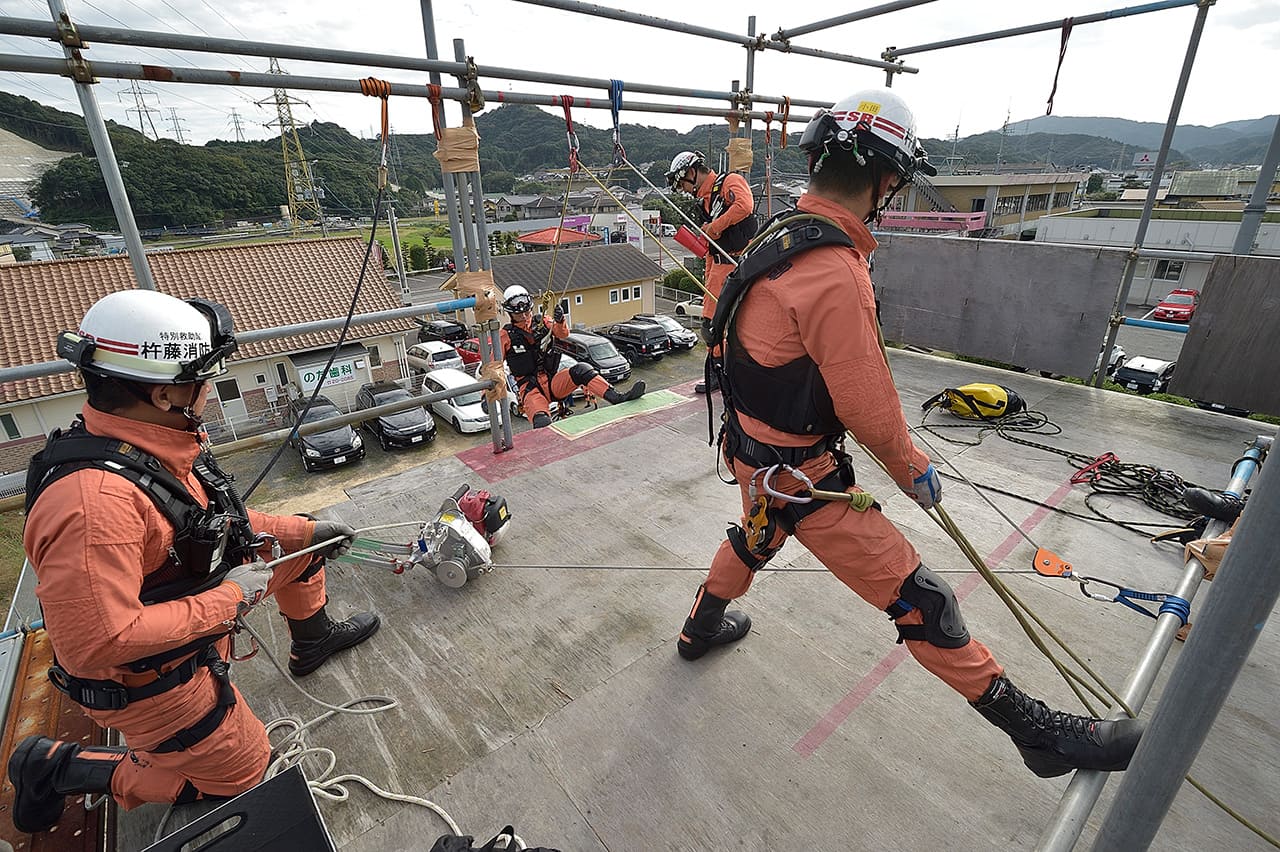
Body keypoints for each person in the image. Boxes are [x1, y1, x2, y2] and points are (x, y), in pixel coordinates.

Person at [674, 88, 1143, 779]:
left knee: (757, 534)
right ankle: (1036, 733)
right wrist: (912, 468)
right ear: (885, 178)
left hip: (751, 456)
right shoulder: (834, 272)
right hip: (801, 476)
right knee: (923, 600)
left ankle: (699, 629)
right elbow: (868, 407)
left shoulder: (777, 235)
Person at [8, 290, 380, 834]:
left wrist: (303, 534)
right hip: (151, 681)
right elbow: (99, 642)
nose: (208, 391)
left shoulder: (152, 446)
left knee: (299, 551)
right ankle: (53, 765)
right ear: (165, 393)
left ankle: (313, 639)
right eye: (203, 380)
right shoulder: (94, 506)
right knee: (243, 774)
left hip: (188, 614)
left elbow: (206, 521)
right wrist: (230, 597)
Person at [665, 150, 756, 394]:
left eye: (682, 183)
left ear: (692, 173)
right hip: (719, 264)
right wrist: (708, 274)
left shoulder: (730, 182)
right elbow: (710, 247)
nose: (683, 189)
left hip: (738, 262)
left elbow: (745, 205)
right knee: (713, 326)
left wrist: (714, 227)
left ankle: (724, 373)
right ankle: (720, 372)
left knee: (721, 325)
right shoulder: (706, 202)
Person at [498, 285, 644, 428]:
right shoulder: (506, 336)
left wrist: (560, 320)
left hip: (552, 381)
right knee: (542, 422)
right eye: (519, 314)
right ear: (510, 314)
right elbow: (492, 368)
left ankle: (617, 397)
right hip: (530, 388)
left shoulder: (543, 322)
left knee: (582, 369)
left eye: (527, 312)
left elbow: (563, 334)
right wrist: (488, 397)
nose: (524, 317)